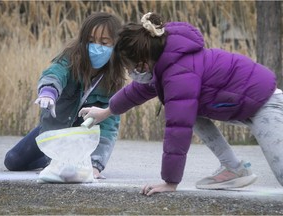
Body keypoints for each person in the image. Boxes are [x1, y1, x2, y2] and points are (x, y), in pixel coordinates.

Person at [78, 12, 283, 195]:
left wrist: (170, 182)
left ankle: (233, 168)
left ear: (143, 62)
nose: (131, 73)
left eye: (130, 67)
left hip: (265, 104)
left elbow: (178, 128)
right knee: (193, 114)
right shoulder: (166, 63)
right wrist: (106, 111)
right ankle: (233, 168)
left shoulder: (179, 74)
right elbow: (139, 90)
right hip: (242, 104)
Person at [4, 12, 126, 179]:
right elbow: (55, 73)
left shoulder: (114, 80)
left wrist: (95, 165)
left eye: (104, 43)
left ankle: (64, 160)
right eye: (90, 41)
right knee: (12, 161)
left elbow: (109, 128)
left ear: (115, 46)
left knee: (73, 170)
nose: (96, 47)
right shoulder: (71, 58)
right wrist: (48, 91)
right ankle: (47, 159)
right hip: (55, 130)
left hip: (82, 138)